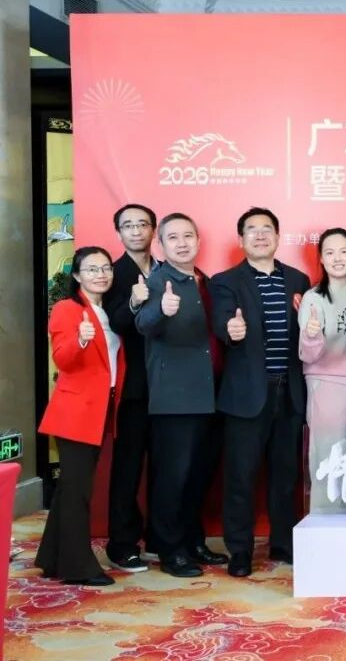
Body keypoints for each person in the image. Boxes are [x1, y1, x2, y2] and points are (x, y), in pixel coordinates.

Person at [210, 207, 310, 577]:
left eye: (267, 229)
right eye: (252, 230)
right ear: (241, 240)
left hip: (290, 391)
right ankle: (239, 550)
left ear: (278, 236)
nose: (260, 235)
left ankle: (283, 542)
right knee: (240, 476)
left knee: (286, 475)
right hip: (246, 394)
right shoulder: (225, 281)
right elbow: (222, 320)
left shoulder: (298, 279)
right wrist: (231, 329)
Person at [136, 213, 229, 578]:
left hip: (209, 393)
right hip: (175, 397)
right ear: (160, 244)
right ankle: (170, 549)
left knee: (198, 475)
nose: (182, 243)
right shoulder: (157, 281)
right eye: (172, 237)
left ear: (198, 240)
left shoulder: (204, 280)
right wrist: (161, 310)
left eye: (188, 236)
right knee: (173, 477)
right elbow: (143, 323)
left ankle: (193, 541)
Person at [35, 246, 126, 586]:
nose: (100, 274)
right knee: (78, 492)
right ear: (76, 275)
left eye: (105, 268)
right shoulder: (67, 309)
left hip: (100, 411)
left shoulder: (106, 310)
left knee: (69, 490)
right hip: (75, 414)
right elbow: (62, 358)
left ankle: (51, 558)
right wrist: (81, 340)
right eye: (91, 269)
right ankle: (78, 567)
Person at [101, 204, 157, 573]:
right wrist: (135, 301)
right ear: (119, 233)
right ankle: (121, 544)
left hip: (168, 385)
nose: (136, 231)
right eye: (128, 225)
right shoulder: (113, 273)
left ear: (153, 230)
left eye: (142, 224)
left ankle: (160, 538)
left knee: (166, 467)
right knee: (128, 467)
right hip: (133, 385)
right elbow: (114, 321)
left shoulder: (166, 270)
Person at [299, 228, 346, 445]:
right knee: (328, 455)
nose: (337, 258)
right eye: (329, 253)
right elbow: (308, 355)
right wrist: (311, 336)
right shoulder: (313, 298)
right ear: (321, 258)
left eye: (344, 251)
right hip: (327, 382)